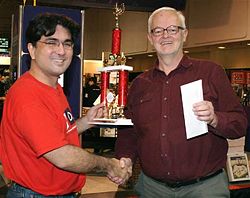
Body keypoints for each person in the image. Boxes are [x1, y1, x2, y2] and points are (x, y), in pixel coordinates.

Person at [114, 7, 247, 198]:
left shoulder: (211, 73)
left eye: (172, 29)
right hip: (152, 188)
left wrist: (215, 119)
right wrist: (125, 158)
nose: (165, 35)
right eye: (158, 30)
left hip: (204, 188)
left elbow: (239, 124)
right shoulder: (139, 84)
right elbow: (130, 132)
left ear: (185, 34)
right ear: (150, 38)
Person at [0, 13, 131, 198]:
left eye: (67, 43)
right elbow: (62, 156)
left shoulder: (53, 88)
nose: (61, 51)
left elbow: (57, 134)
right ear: (32, 49)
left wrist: (86, 121)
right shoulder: (27, 95)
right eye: (51, 42)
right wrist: (109, 164)